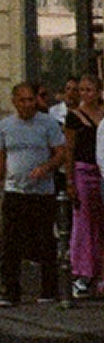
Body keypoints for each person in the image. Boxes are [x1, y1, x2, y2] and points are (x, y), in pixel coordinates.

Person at [0, 80, 67, 308]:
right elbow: (0, 158)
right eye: (22, 100)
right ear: (14, 102)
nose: (27, 105)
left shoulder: (48, 124)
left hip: (42, 192)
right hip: (15, 190)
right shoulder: (5, 127)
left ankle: (48, 289)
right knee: (11, 242)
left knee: (44, 240)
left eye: (31, 99)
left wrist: (46, 167)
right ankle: (11, 290)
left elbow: (60, 153)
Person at [65, 72, 103, 301]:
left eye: (89, 90)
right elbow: (69, 150)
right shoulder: (74, 117)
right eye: (81, 90)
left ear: (98, 92)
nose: (84, 94)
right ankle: (82, 273)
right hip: (83, 171)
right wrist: (70, 180)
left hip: (102, 172)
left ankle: (100, 274)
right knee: (84, 223)